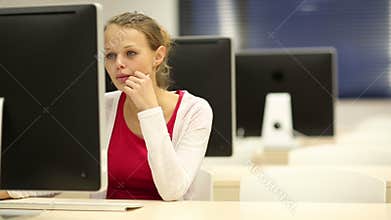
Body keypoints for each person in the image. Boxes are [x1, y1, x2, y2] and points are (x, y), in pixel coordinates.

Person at [0, 12, 213, 201]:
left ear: (158, 56)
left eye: (130, 53)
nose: (118, 63)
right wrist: (10, 192)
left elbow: (172, 191)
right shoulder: (104, 106)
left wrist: (149, 111)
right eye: (110, 55)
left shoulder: (195, 111)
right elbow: (66, 173)